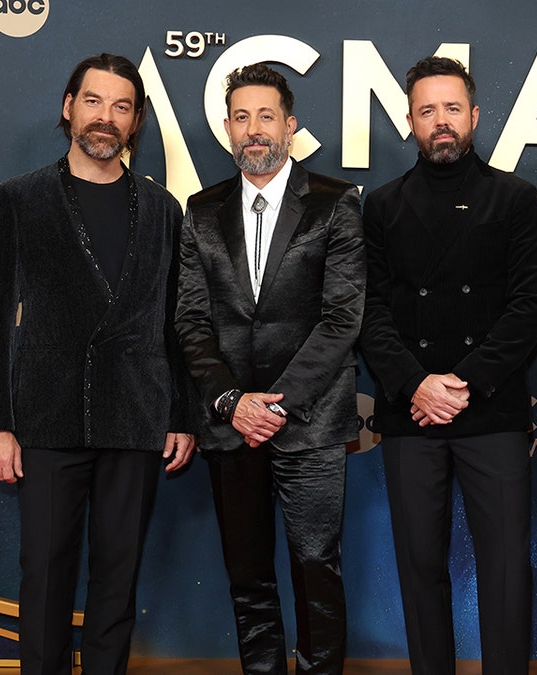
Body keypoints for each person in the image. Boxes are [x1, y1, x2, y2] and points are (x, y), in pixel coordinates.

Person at [0, 54, 196, 675]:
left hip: (136, 418)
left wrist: (179, 414)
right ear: (68, 107)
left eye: (121, 106)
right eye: (93, 101)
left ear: (137, 121)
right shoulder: (20, 200)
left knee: (117, 581)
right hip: (45, 418)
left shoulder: (162, 211)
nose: (106, 117)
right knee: (45, 576)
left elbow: (175, 322)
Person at [358, 56, 537, 675]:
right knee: (419, 566)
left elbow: (529, 307)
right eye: (426, 110)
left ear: (473, 115)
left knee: (504, 570)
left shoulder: (516, 199)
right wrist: (417, 383)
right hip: (410, 413)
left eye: (452, 108)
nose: (441, 122)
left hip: (490, 411)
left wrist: (462, 384)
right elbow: (370, 312)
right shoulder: (382, 207)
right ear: (409, 121)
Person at [173, 63, 364, 675]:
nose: (254, 130)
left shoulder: (335, 204)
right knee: (248, 577)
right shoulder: (200, 211)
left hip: (309, 425)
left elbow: (341, 319)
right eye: (241, 117)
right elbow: (191, 322)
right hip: (232, 425)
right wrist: (233, 403)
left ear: (291, 125)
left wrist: (273, 402)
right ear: (227, 127)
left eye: (266, 116)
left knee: (316, 570)